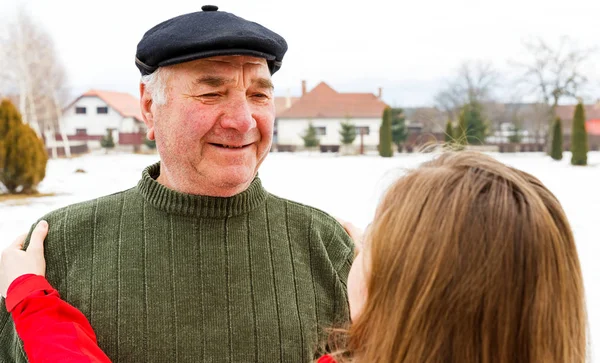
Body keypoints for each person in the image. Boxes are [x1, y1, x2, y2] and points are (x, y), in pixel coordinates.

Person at [0, 6, 354, 362]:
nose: (243, 120)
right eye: (211, 93)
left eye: (259, 95)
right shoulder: (57, 248)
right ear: (150, 106)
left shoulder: (327, 246)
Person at [1, 151, 588, 363]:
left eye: (379, 239)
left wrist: (31, 300)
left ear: (420, 297)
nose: (355, 235)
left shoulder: (317, 241)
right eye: (210, 89)